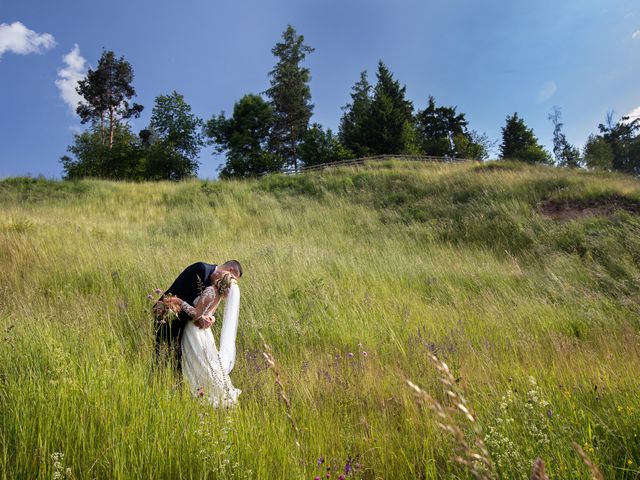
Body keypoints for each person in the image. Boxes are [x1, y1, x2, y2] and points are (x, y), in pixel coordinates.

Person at [161, 270, 242, 406]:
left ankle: (201, 391)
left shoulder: (211, 291)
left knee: (196, 361)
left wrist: (180, 302)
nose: (217, 273)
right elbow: (207, 313)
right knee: (205, 362)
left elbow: (196, 314)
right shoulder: (219, 295)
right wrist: (212, 318)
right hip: (204, 333)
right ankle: (210, 389)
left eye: (221, 274)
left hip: (194, 331)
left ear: (221, 279)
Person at [154, 260, 242, 370]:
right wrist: (199, 316)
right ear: (230, 270)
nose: (232, 281)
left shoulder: (216, 286)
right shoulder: (201, 269)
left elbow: (208, 307)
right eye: (234, 277)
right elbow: (180, 291)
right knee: (162, 357)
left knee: (182, 362)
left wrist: (211, 318)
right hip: (169, 317)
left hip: (192, 328)